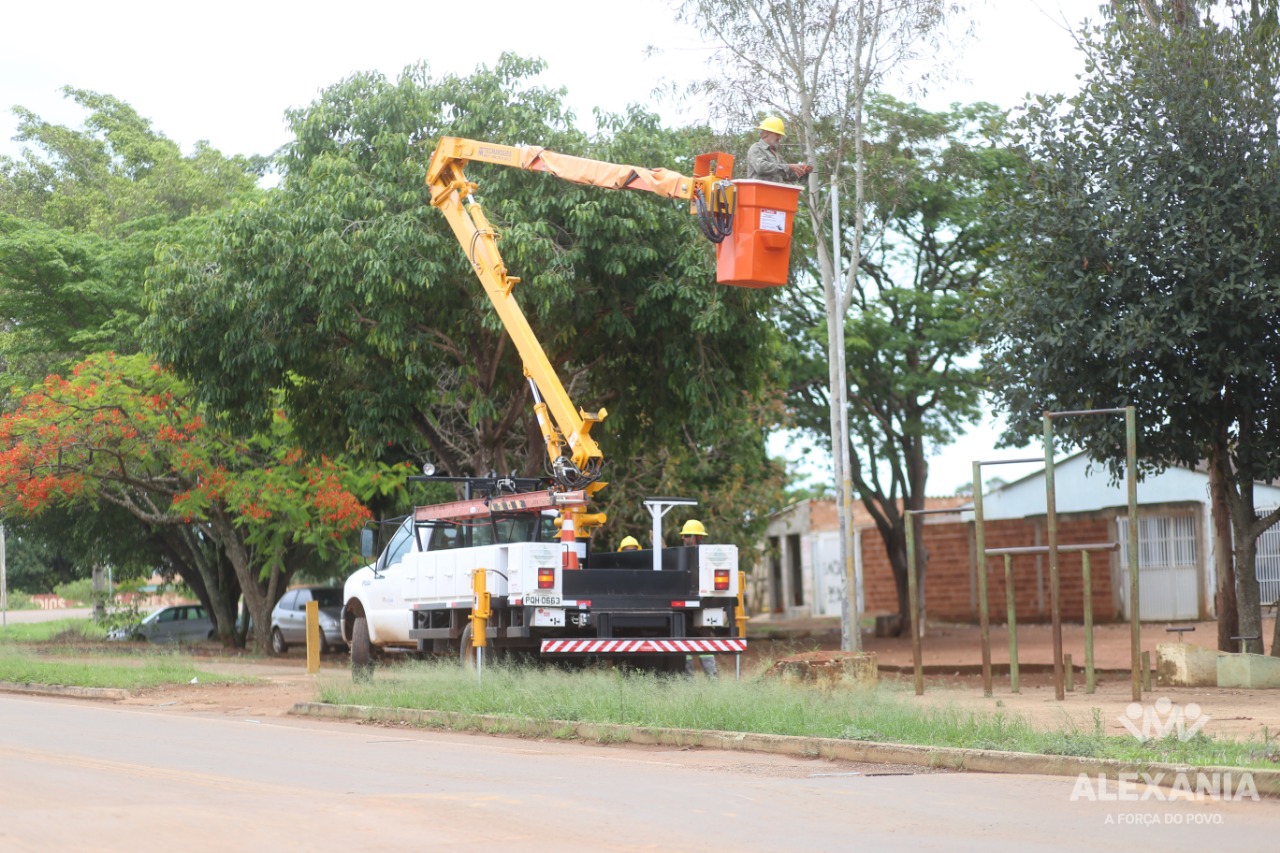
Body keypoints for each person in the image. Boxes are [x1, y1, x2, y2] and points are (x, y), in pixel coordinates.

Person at [679, 519, 718, 679]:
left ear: (696, 537)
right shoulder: (683, 555)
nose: (683, 539)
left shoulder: (706, 556)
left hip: (702, 605)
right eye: (684, 536)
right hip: (685, 606)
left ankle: (712, 678)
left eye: (687, 536)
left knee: (703, 642)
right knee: (686, 643)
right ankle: (690, 679)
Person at [746, 117, 813, 183]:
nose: (780, 137)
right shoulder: (756, 148)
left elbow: (788, 176)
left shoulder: (776, 155)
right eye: (777, 134)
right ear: (766, 133)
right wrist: (788, 166)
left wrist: (803, 170)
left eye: (780, 135)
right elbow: (761, 168)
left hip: (775, 192)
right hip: (758, 191)